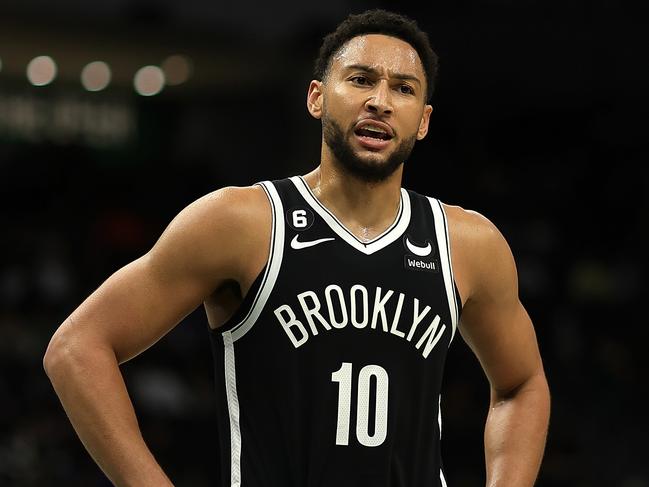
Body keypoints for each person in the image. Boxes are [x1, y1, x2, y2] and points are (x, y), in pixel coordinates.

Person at [44, 9, 550, 487]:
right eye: (360, 79)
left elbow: (522, 385)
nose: (380, 100)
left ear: (422, 120)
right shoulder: (242, 222)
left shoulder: (467, 243)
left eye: (403, 88)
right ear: (316, 97)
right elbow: (76, 349)